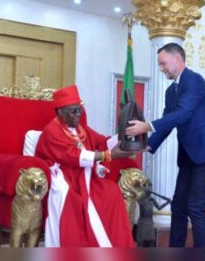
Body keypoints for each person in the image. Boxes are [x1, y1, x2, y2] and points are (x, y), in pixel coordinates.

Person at [125, 43, 205, 247]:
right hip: (189, 156)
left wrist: (147, 126)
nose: (161, 68)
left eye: (163, 63)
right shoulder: (172, 91)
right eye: (159, 65)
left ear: (177, 59)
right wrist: (149, 145)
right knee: (178, 205)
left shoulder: (194, 80)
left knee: (196, 207)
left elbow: (184, 114)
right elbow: (168, 121)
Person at [35, 85, 136, 247]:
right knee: (70, 198)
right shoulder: (51, 131)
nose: (78, 115)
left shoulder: (82, 129)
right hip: (63, 176)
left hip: (85, 175)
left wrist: (125, 137)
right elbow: (72, 156)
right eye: (73, 111)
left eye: (79, 110)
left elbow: (102, 142)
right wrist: (107, 155)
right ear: (60, 112)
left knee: (112, 192)